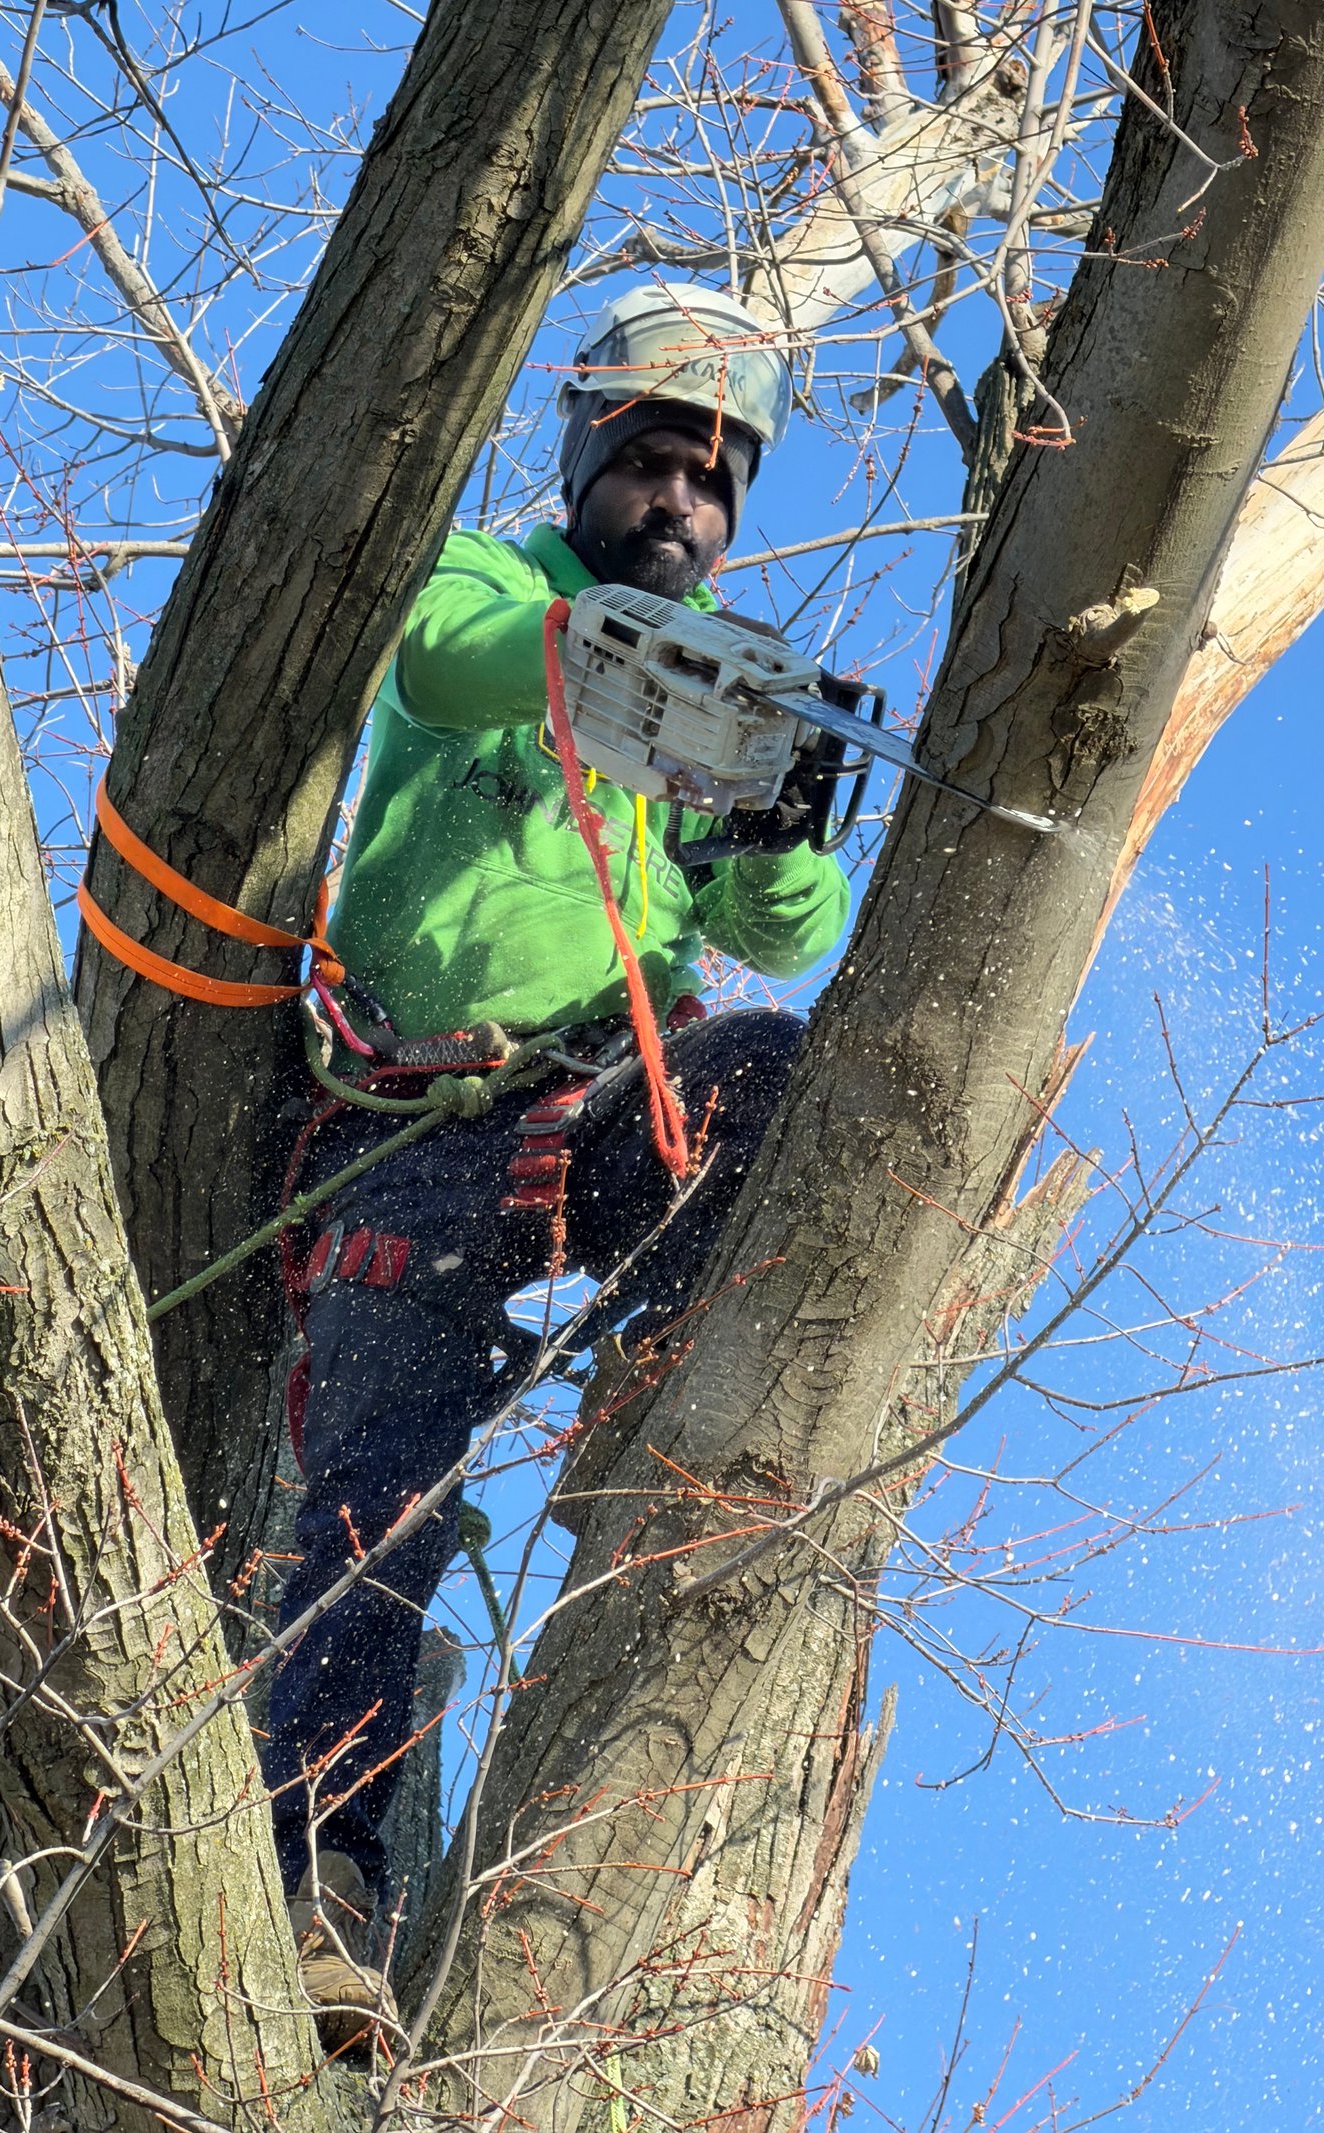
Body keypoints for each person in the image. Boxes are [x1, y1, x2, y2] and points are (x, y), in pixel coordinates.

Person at [267, 283, 851, 2048]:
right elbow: (431, 657)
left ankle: (662, 1389)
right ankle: (322, 1866)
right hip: (406, 1118)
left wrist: (767, 811)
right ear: (590, 458)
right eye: (656, 464)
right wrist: (605, 655)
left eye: (715, 481)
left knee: (770, 1075)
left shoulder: (721, 684)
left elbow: (789, 925)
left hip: (609, 1097)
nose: (683, 504)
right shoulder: (495, 587)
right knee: (382, 1496)